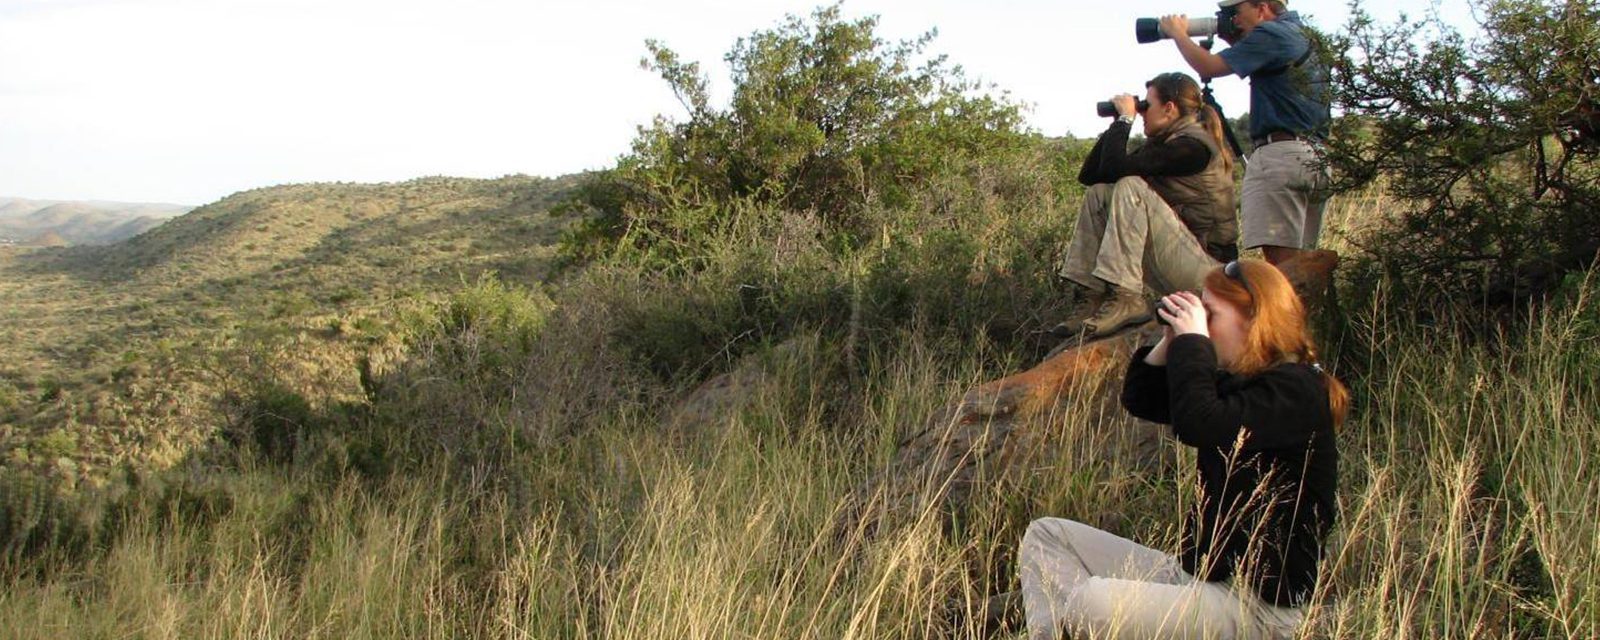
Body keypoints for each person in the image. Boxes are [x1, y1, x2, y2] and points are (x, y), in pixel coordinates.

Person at [1019, 259, 1348, 640]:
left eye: (1211, 315)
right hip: (1197, 578)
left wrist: (1194, 340)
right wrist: (1173, 336)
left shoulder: (1299, 391)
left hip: (1257, 609)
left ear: (1254, 318)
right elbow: (1142, 400)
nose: (1203, 326)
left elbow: (1199, 423)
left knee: (1091, 603)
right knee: (1049, 536)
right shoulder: (1243, 380)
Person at [1052, 72, 1238, 339]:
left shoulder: (1192, 147)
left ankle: (1128, 298)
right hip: (1184, 259)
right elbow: (1092, 176)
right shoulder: (1166, 144)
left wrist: (1126, 118)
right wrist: (1118, 122)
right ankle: (1092, 297)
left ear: (1169, 108)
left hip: (1210, 272)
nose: (1142, 114)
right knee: (1100, 193)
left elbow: (1119, 170)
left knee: (1130, 187)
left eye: (1145, 106)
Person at [1162, 0, 1332, 266]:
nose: (1235, 20)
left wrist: (1178, 34)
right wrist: (1236, 43)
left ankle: (1281, 309)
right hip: (1315, 156)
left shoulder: (1271, 33)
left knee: (1282, 266)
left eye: (1237, 12)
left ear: (1262, 8)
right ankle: (1306, 309)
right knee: (1302, 267)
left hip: (1281, 157)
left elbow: (1208, 67)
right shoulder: (1305, 36)